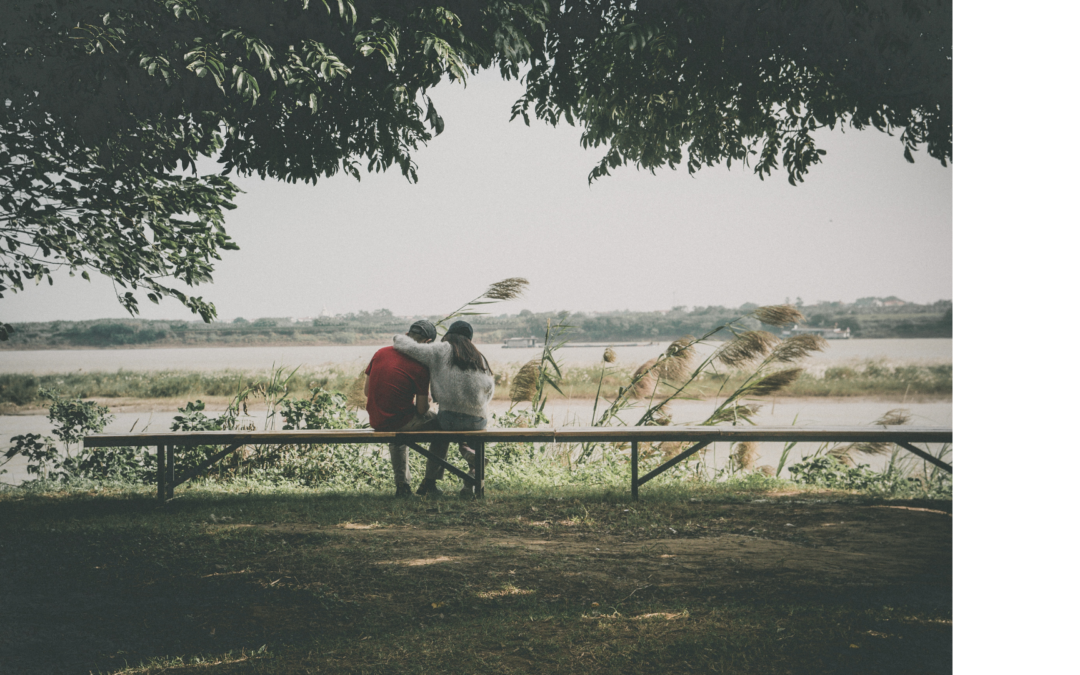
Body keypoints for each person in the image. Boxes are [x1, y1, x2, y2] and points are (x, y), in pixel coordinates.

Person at [392, 320, 494, 497]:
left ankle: (430, 482)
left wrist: (400, 337)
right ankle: (470, 461)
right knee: (476, 427)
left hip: (448, 419)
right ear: (470, 339)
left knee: (440, 433)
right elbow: (489, 390)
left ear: (448, 334)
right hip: (476, 420)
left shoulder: (441, 349)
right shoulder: (480, 357)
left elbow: (408, 347)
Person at [364, 320, 441, 497]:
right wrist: (425, 399)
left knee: (398, 427)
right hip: (397, 421)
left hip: (377, 420)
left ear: (406, 336)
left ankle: (403, 486)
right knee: (441, 425)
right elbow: (422, 411)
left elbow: (367, 391)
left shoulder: (380, 353)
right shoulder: (420, 365)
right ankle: (430, 481)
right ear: (427, 343)